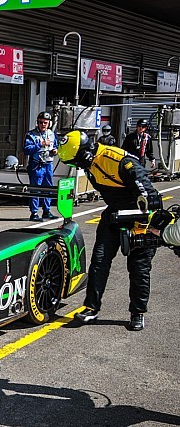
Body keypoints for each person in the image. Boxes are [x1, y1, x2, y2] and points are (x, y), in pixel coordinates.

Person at [57, 130, 161, 331]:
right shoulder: (89, 163)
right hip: (114, 212)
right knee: (99, 261)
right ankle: (91, 308)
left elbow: (149, 195)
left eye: (75, 162)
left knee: (139, 266)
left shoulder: (119, 161)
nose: (75, 167)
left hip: (142, 214)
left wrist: (145, 222)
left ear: (85, 154)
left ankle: (137, 312)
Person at [24, 111, 58, 222]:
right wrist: (40, 144)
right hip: (36, 165)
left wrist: (55, 151)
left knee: (48, 188)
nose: (43, 125)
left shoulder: (52, 134)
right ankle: (34, 213)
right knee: (35, 189)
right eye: (41, 122)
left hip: (48, 164)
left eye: (45, 123)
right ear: (37, 123)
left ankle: (46, 211)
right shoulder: (31, 135)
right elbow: (26, 149)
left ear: (49, 123)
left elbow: (56, 145)